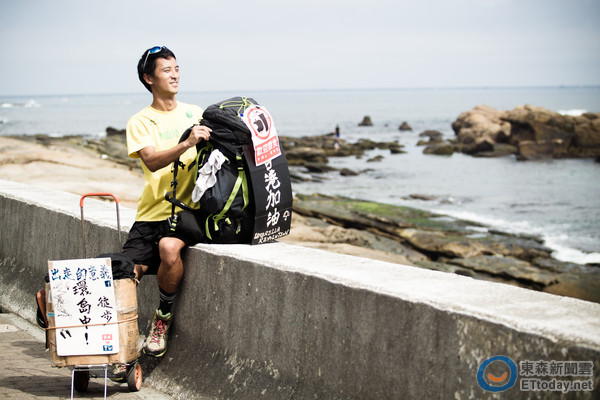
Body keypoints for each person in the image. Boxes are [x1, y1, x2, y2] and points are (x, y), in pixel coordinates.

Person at [122, 46, 211, 358]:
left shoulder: (195, 112)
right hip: (151, 213)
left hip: (186, 214)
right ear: (149, 78)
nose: (174, 75)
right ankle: (122, 340)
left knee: (169, 248)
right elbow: (152, 161)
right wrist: (186, 142)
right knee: (125, 273)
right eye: (166, 70)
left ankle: (162, 319)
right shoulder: (141, 121)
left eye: (176, 68)